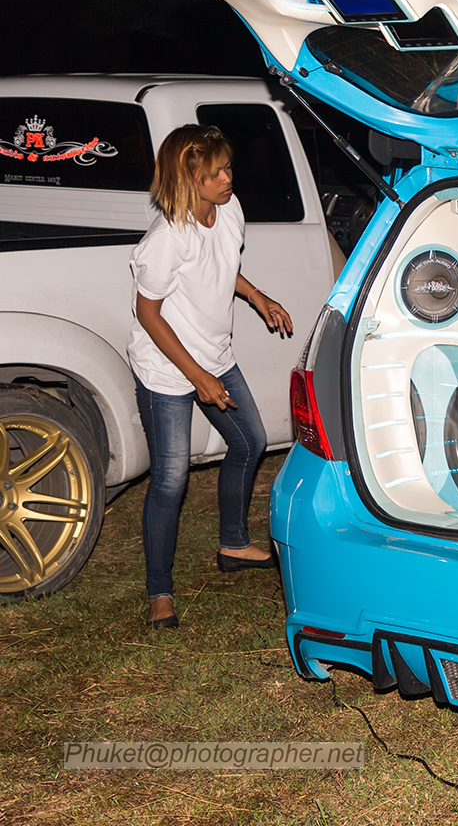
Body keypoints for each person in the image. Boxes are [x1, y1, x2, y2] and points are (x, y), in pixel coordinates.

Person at [127, 125, 293, 629]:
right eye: (215, 173)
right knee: (170, 478)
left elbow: (221, 266)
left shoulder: (230, 208)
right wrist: (197, 376)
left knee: (250, 441)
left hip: (214, 355)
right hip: (166, 369)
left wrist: (256, 295)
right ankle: (159, 591)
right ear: (188, 180)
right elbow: (148, 313)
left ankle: (233, 544)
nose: (228, 178)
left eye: (227, 167)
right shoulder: (166, 240)